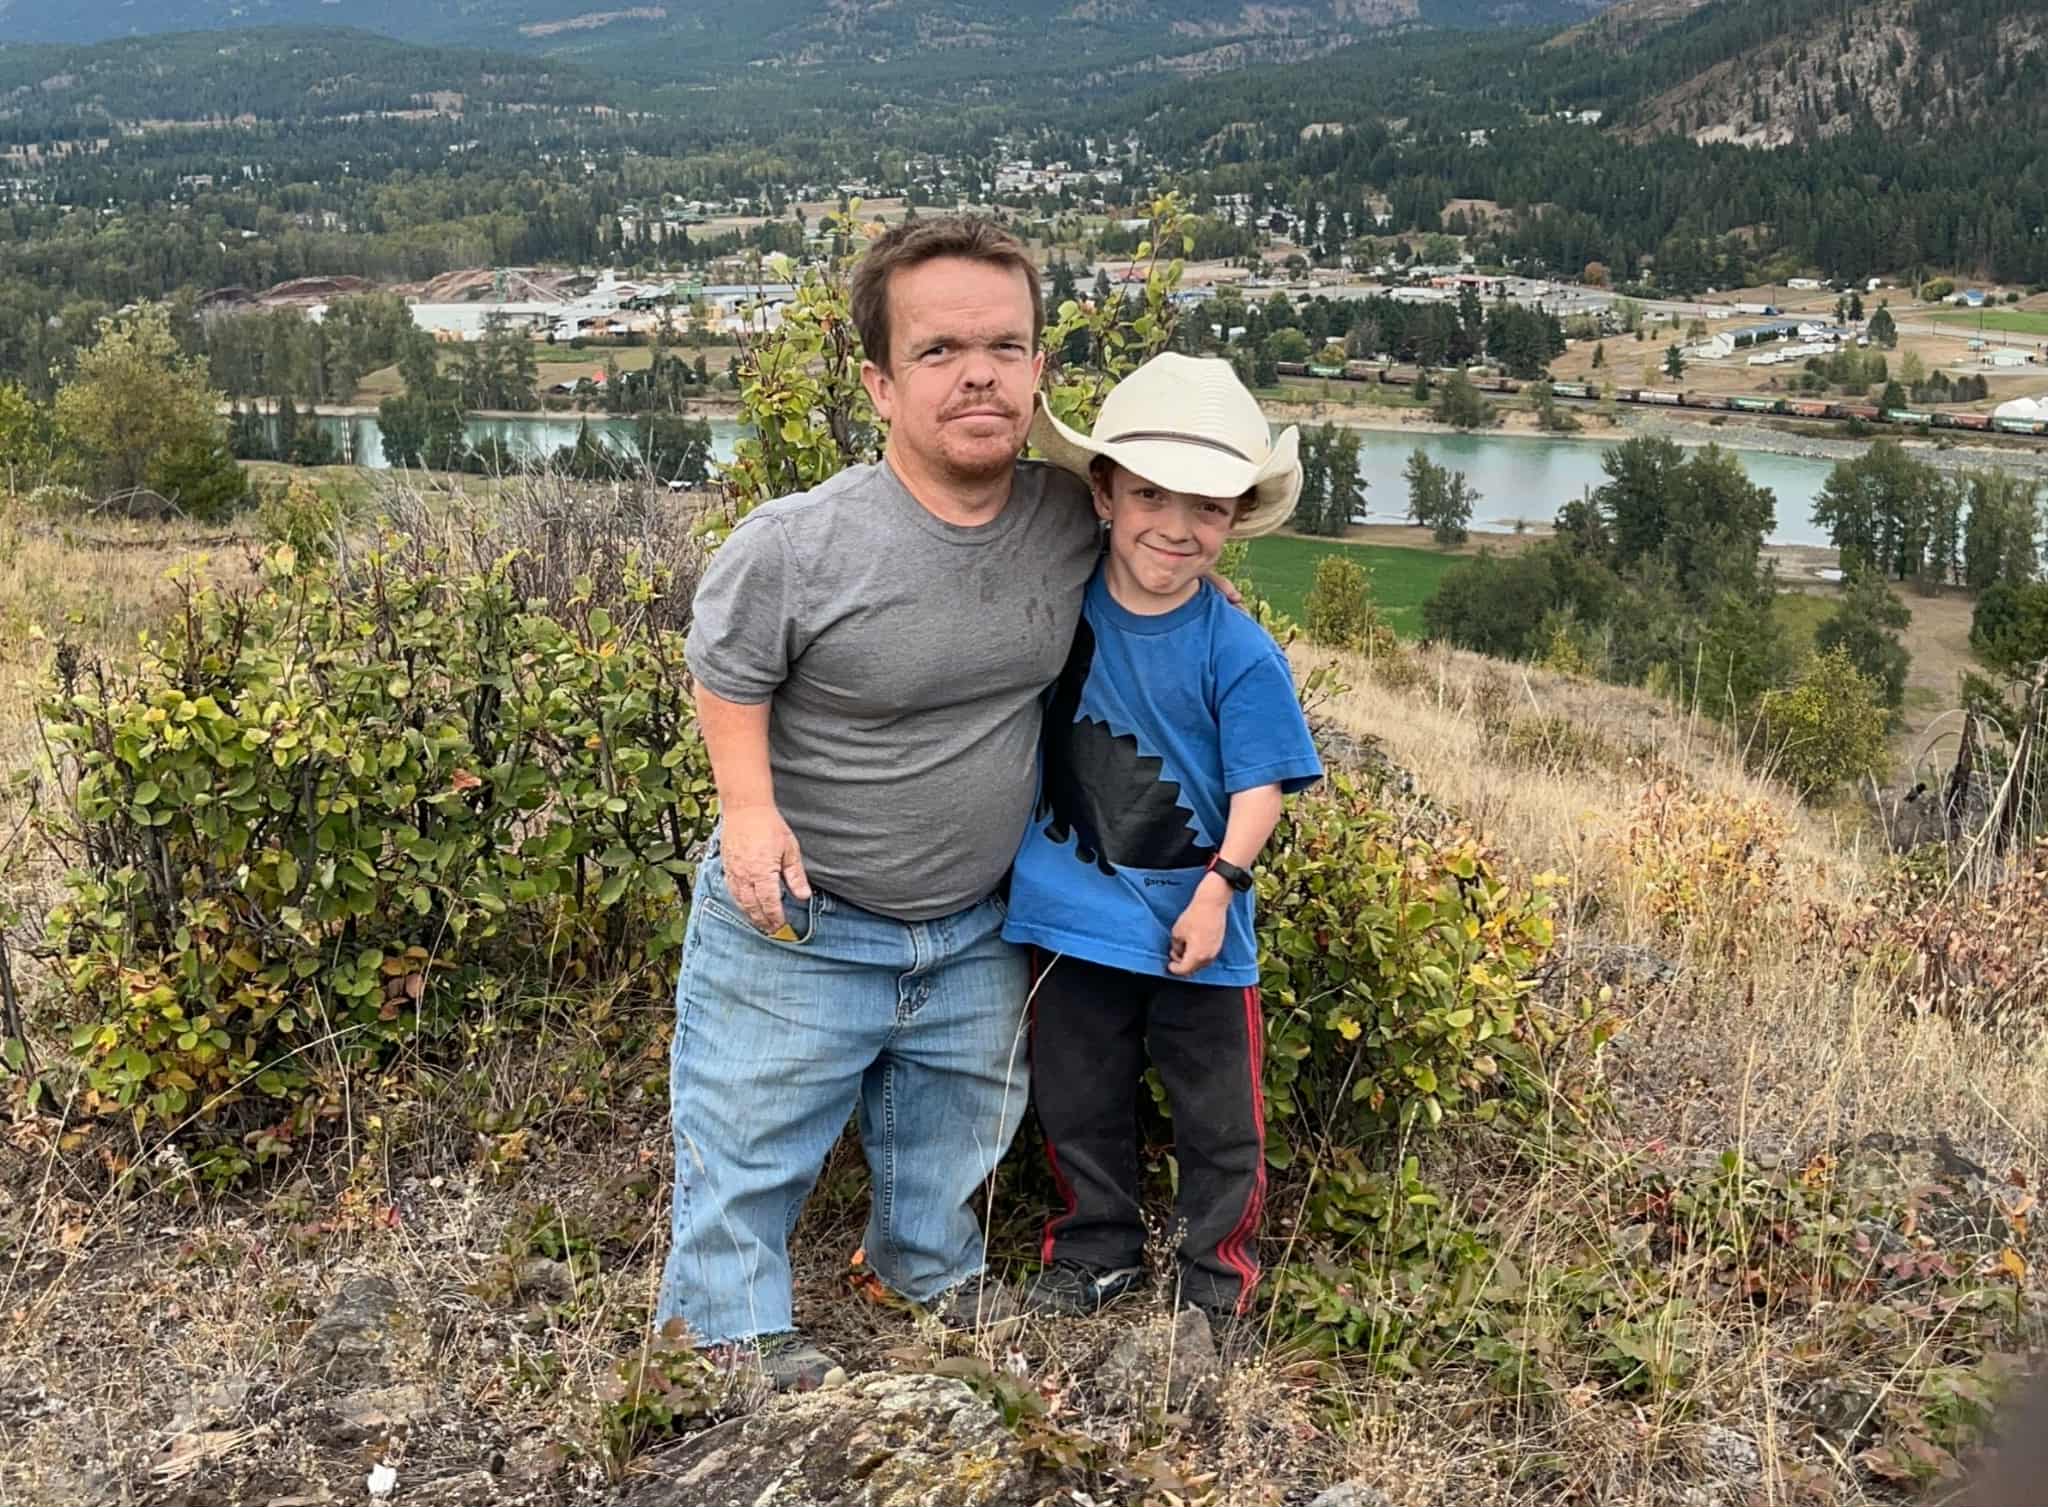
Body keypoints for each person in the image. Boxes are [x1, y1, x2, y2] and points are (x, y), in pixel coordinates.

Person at [656, 216, 1107, 1391]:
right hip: (804, 921)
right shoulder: (798, 545)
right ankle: (726, 1335)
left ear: (1038, 370)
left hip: (974, 924)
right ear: (877, 380)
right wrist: (747, 814)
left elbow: (1177, 544)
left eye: (1006, 347)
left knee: (960, 1138)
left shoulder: (1070, 517)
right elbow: (726, 668)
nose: (978, 374)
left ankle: (913, 1276)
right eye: (940, 349)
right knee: (746, 1145)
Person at [1002, 353, 1323, 1320]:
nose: (1177, 528)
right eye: (1151, 494)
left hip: (1199, 922)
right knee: (1077, 1095)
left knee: (1219, 1116)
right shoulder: (1055, 601)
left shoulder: (1237, 646)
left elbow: (1259, 783)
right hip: (1070, 916)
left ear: (1235, 519)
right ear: (1102, 490)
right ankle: (1095, 1251)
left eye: (1209, 507)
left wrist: (1221, 889)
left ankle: (1215, 1285)